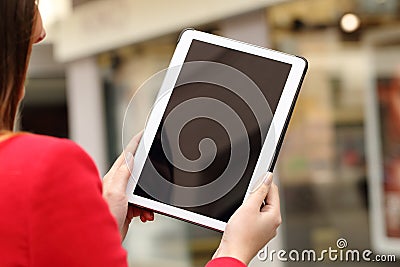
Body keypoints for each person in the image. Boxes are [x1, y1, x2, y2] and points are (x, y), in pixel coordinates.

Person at [0, 1, 282, 266]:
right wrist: (233, 251)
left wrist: (98, 228)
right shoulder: (44, 167)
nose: (40, 30)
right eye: (32, 3)